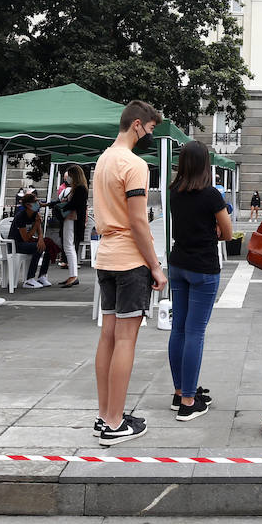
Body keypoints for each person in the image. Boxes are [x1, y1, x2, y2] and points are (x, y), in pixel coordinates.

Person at [92, 100, 167, 446]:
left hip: (106, 255)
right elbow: (138, 220)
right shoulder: (135, 164)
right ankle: (114, 422)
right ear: (138, 124)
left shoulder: (103, 160)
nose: (151, 135)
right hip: (130, 258)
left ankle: (105, 414)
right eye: (150, 129)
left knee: (108, 336)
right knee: (126, 340)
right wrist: (155, 265)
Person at [167, 140, 230, 421]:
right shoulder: (211, 195)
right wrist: (213, 231)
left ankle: (180, 391)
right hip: (203, 267)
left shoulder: (173, 191)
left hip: (178, 263)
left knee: (178, 329)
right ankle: (190, 401)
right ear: (205, 164)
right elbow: (228, 233)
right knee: (195, 332)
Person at [11, 191, 58, 288]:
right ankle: (29, 279)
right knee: (38, 247)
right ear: (28, 205)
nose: (38, 203)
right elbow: (25, 238)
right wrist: (36, 224)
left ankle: (42, 275)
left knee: (48, 244)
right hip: (17, 244)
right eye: (35, 202)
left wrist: (41, 238)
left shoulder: (34, 214)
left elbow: (39, 230)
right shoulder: (21, 216)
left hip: (28, 241)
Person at [56, 164, 88, 288]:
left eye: (69, 176)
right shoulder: (78, 188)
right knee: (68, 247)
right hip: (71, 220)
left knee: (69, 247)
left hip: (73, 221)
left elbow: (73, 205)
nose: (67, 178)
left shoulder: (79, 189)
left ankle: (73, 275)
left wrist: (60, 205)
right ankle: (72, 275)